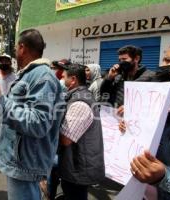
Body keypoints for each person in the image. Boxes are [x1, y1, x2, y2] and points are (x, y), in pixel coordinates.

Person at [0, 29, 65, 200]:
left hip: (24, 164)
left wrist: (2, 102)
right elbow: (16, 112)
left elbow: (38, 123)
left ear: (22, 47)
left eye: (16, 48)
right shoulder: (30, 75)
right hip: (21, 161)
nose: (14, 53)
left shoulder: (42, 77)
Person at [124, 36, 170, 199]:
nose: (162, 65)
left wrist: (165, 176)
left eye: (168, 60)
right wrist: (129, 125)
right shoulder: (161, 105)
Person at [58, 63, 105, 200]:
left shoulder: (80, 103)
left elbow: (66, 139)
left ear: (73, 80)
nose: (61, 78)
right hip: (76, 166)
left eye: (64, 77)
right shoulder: (77, 96)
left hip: (78, 168)